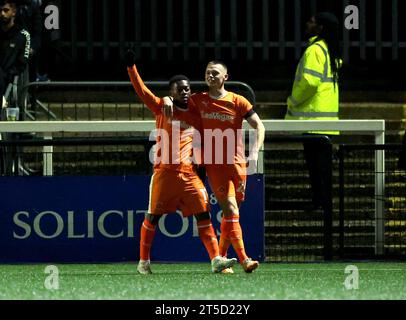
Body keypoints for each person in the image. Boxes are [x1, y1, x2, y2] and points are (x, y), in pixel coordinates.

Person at [125, 50, 237, 275]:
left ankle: (216, 259)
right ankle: (143, 262)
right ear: (171, 92)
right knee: (152, 217)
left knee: (203, 214)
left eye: (187, 88)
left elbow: (214, 106)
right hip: (165, 173)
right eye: (180, 89)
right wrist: (131, 68)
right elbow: (142, 90)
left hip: (189, 174)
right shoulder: (162, 107)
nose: (185, 92)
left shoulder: (196, 112)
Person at [163, 61, 265, 273]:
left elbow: (259, 126)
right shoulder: (198, 100)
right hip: (214, 164)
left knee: (232, 215)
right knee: (230, 209)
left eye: (215, 73)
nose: (210, 76)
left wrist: (254, 152)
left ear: (225, 77)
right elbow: (174, 100)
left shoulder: (238, 101)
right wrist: (166, 98)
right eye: (207, 73)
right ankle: (245, 259)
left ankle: (220, 259)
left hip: (237, 164)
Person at [285, 12, 342, 211]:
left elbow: (309, 82)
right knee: (323, 167)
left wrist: (292, 101)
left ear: (320, 28)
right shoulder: (328, 49)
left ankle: (319, 202)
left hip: (312, 118)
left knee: (315, 166)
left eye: (312, 22)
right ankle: (323, 202)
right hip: (326, 118)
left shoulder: (314, 50)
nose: (307, 24)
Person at [0, 0, 30, 109]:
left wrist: (8, 74)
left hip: (9, 77)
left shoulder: (23, 35)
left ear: (14, 12)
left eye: (6, 10)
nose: (2, 13)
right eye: (0, 11)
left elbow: (22, 63)